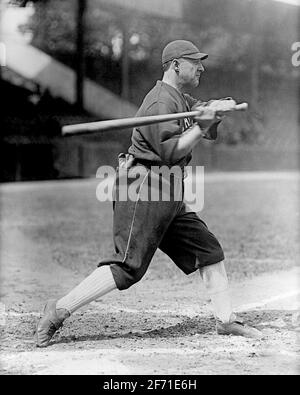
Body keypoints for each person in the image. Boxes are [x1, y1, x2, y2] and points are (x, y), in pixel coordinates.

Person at [35, 40, 262, 347]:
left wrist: (215, 109)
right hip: (144, 187)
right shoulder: (160, 103)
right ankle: (58, 310)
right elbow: (171, 151)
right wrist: (201, 124)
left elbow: (199, 115)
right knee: (128, 267)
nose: (201, 67)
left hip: (166, 189)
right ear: (176, 65)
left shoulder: (178, 98)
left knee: (207, 250)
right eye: (195, 62)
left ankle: (226, 321)